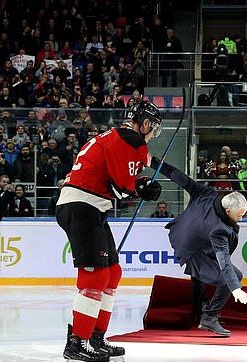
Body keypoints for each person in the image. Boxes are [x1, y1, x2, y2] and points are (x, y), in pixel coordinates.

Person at [55, 101, 164, 362]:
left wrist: (139, 186)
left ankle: (95, 337)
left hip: (89, 206)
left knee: (112, 273)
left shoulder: (116, 136)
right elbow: (121, 190)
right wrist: (141, 188)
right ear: (146, 124)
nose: (152, 134)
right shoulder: (131, 141)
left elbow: (118, 183)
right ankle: (77, 342)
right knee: (95, 276)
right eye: (153, 128)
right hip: (82, 205)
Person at [151, 156, 247, 337]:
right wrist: (235, 287)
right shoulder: (218, 229)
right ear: (228, 211)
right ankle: (209, 317)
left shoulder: (207, 193)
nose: (242, 219)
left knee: (199, 278)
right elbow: (224, 262)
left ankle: (197, 314)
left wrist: (153, 163)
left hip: (189, 238)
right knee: (235, 276)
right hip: (194, 248)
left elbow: (181, 178)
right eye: (240, 215)